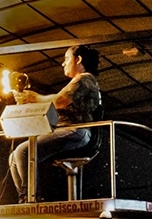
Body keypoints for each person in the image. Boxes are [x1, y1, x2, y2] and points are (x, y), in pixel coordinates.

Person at [7, 45, 102, 203]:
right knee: (14, 157)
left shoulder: (84, 78)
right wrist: (31, 100)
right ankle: (25, 197)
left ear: (78, 59)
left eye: (66, 59)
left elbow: (59, 100)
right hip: (70, 131)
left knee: (23, 151)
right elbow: (56, 99)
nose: (63, 64)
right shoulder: (81, 81)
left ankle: (32, 198)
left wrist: (34, 98)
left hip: (77, 131)